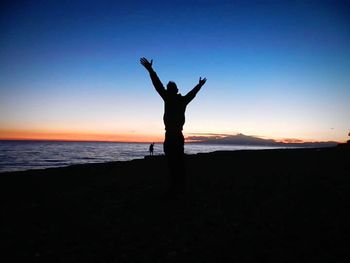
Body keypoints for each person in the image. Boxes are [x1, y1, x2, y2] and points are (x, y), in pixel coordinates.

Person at [140, 57, 206, 196]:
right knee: (175, 162)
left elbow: (158, 85)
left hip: (173, 135)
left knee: (175, 162)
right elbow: (158, 85)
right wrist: (150, 70)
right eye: (169, 88)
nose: (168, 90)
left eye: (170, 88)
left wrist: (151, 70)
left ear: (174, 90)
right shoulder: (175, 99)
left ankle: (178, 188)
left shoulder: (174, 99)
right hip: (172, 135)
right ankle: (177, 187)